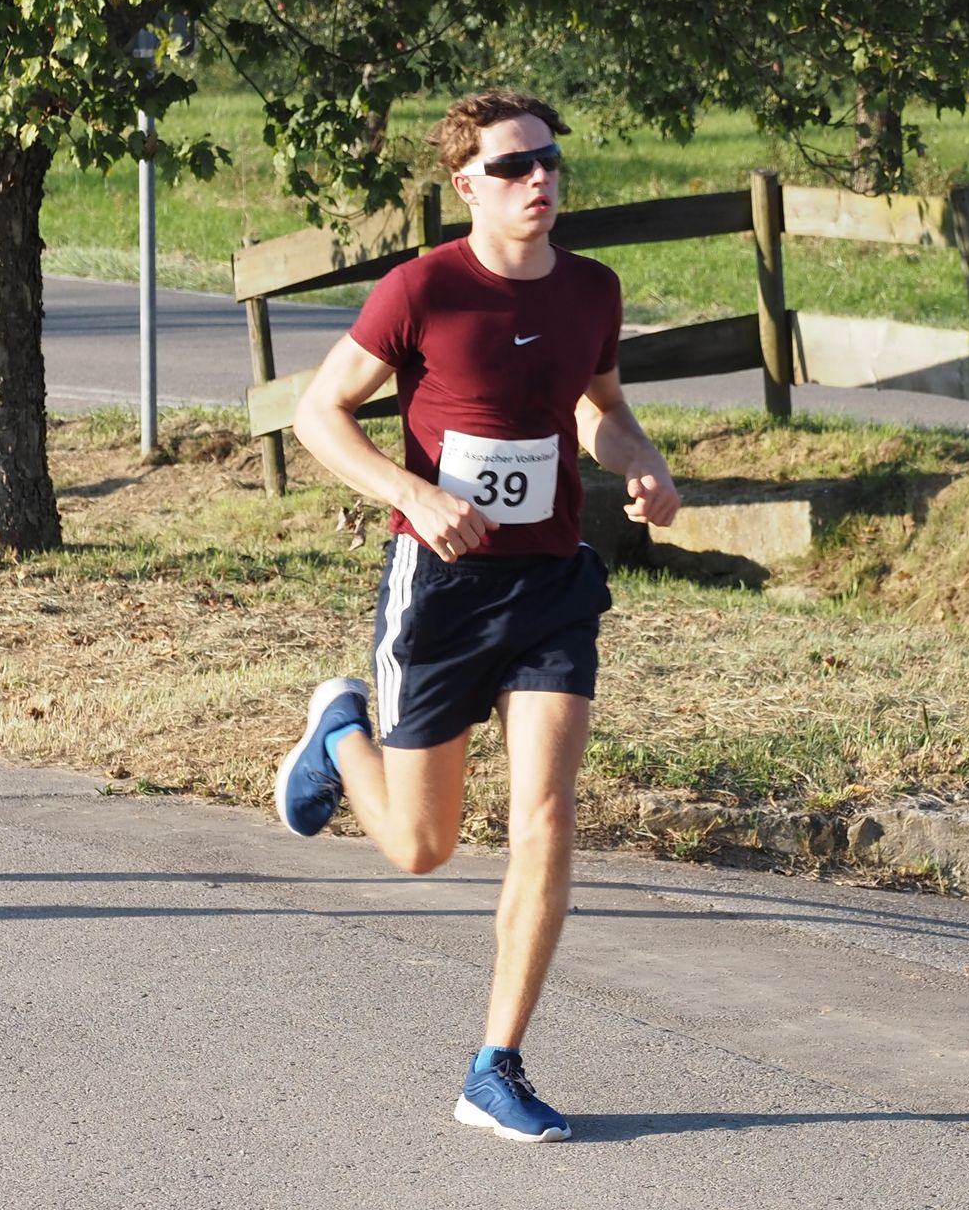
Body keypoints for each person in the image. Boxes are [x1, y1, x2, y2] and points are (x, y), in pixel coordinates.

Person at [276, 89, 681, 1140]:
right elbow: (319, 412)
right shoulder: (423, 288)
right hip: (442, 587)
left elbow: (599, 405)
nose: (538, 178)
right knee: (422, 847)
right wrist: (410, 492)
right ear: (466, 184)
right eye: (511, 166)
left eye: (548, 160)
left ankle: (495, 1064)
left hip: (550, 582)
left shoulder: (592, 288)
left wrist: (641, 462)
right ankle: (340, 731)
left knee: (547, 814)